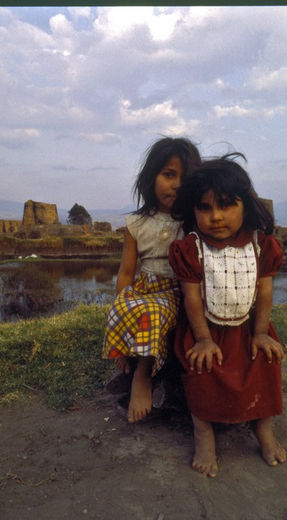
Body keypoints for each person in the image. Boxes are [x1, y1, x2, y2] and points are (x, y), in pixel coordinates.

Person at [169, 154, 286, 478]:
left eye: (225, 205)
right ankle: (203, 433)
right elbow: (191, 299)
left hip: (249, 329)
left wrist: (261, 333)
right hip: (205, 330)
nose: (215, 217)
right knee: (201, 370)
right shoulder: (191, 249)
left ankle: (264, 428)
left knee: (264, 364)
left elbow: (264, 292)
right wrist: (203, 339)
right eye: (204, 208)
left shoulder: (261, 246)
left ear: (245, 205)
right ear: (193, 210)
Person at [102, 137, 201, 423]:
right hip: (144, 288)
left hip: (176, 292)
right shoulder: (136, 224)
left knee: (151, 313)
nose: (177, 184)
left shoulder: (193, 221)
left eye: (185, 178)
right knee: (121, 309)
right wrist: (122, 313)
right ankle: (126, 353)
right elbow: (125, 273)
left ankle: (142, 376)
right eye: (169, 175)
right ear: (151, 177)